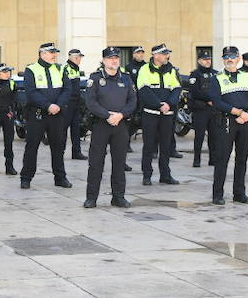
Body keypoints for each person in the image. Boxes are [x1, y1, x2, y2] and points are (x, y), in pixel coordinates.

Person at [83, 48, 135, 208]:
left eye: (116, 58)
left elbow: (132, 101)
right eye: (111, 58)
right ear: (104, 61)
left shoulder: (126, 79)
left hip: (120, 125)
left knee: (119, 163)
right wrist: (107, 115)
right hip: (101, 125)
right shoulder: (95, 78)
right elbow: (90, 102)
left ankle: (118, 197)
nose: (114, 61)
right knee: (96, 163)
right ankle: (91, 198)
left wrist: (121, 115)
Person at [210, 47, 248, 205]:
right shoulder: (216, 78)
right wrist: (239, 113)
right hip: (226, 121)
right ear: (223, 59)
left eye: (232, 56)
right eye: (226, 57)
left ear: (238, 58)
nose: (229, 59)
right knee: (222, 159)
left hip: (246, 121)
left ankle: (239, 193)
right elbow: (217, 102)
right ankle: (218, 194)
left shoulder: (247, 77)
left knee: (242, 159)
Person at [20, 42, 72, 190]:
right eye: (51, 52)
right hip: (37, 114)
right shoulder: (31, 69)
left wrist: (58, 105)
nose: (54, 55)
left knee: (58, 146)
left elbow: (67, 89)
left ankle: (60, 177)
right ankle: (26, 178)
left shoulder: (60, 69)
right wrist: (48, 106)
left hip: (57, 114)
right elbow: (31, 92)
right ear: (42, 54)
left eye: (55, 52)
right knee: (32, 146)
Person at [135, 43, 182, 186]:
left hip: (167, 114)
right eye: (164, 54)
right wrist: (159, 105)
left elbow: (177, 89)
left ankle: (165, 175)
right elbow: (143, 90)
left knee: (166, 145)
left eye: (167, 53)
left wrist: (168, 104)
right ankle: (147, 175)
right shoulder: (144, 69)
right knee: (149, 145)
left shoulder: (171, 70)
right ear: (156, 56)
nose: (167, 56)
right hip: (150, 114)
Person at [185, 51, 217, 169]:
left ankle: (213, 159)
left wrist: (213, 100)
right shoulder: (195, 74)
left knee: (213, 135)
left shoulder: (215, 74)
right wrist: (209, 99)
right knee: (199, 136)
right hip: (200, 109)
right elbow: (195, 91)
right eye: (205, 59)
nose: (208, 61)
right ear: (199, 61)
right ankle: (197, 159)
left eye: (209, 59)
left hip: (213, 109)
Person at [64, 49, 87, 160]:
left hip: (76, 103)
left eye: (80, 57)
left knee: (76, 129)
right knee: (63, 129)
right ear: (72, 57)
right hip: (68, 103)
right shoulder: (66, 69)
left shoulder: (76, 69)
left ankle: (76, 152)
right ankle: (60, 151)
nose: (79, 60)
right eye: (77, 57)